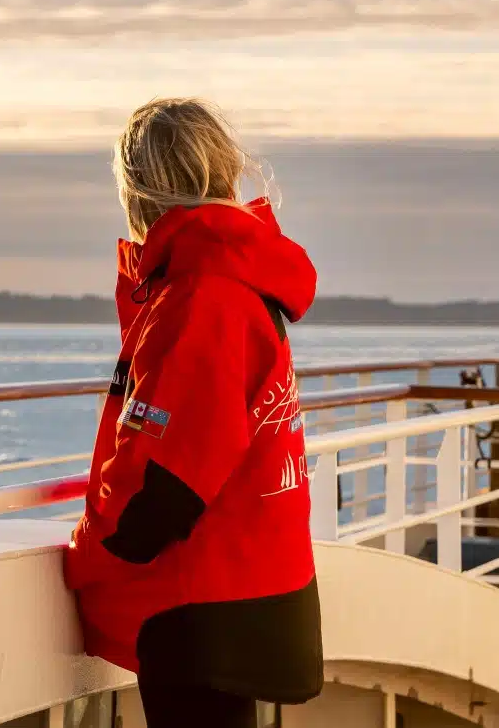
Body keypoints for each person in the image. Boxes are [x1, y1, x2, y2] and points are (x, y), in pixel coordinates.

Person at [64, 98, 323, 728]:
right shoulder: (234, 276)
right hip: (255, 579)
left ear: (139, 189)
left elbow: (167, 483)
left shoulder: (202, 294)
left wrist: (85, 556)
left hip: (204, 607)